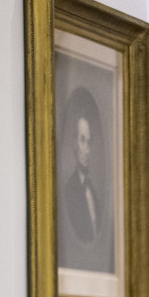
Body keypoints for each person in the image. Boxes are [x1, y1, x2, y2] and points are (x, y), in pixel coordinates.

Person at [58, 87, 112, 273]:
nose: (86, 150)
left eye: (89, 142)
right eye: (82, 140)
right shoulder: (69, 192)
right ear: (75, 144)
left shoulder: (93, 194)